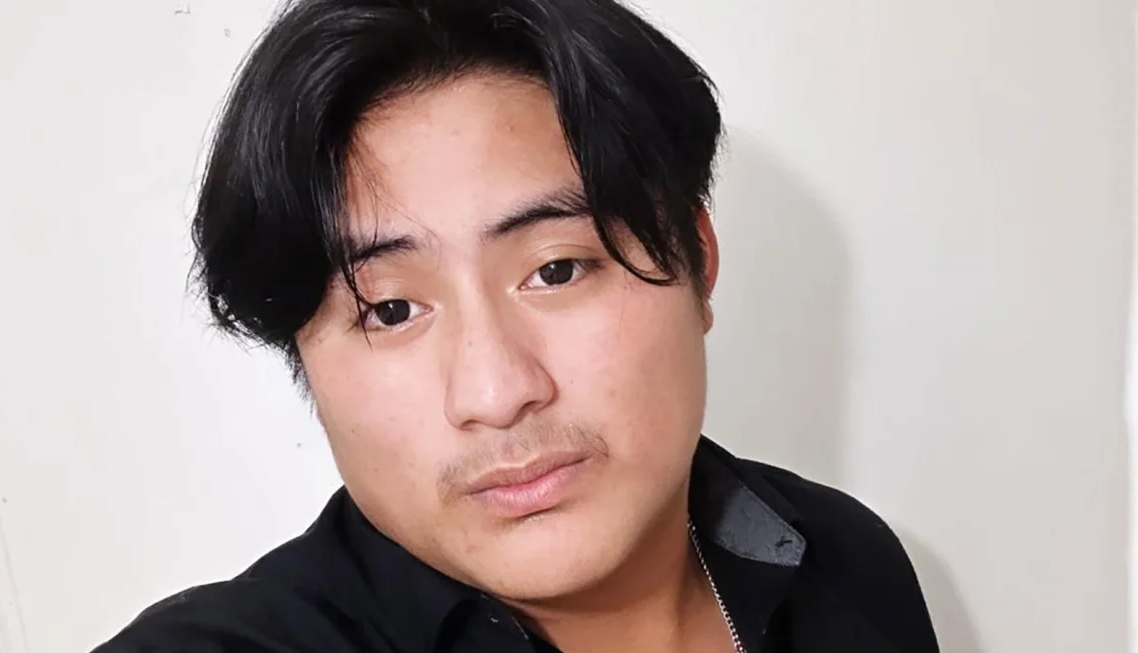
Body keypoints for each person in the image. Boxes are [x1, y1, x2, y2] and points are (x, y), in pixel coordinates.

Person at [95, 0, 939, 651]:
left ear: (699, 257)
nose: (496, 392)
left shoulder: (844, 561)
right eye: (390, 309)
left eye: (557, 269)